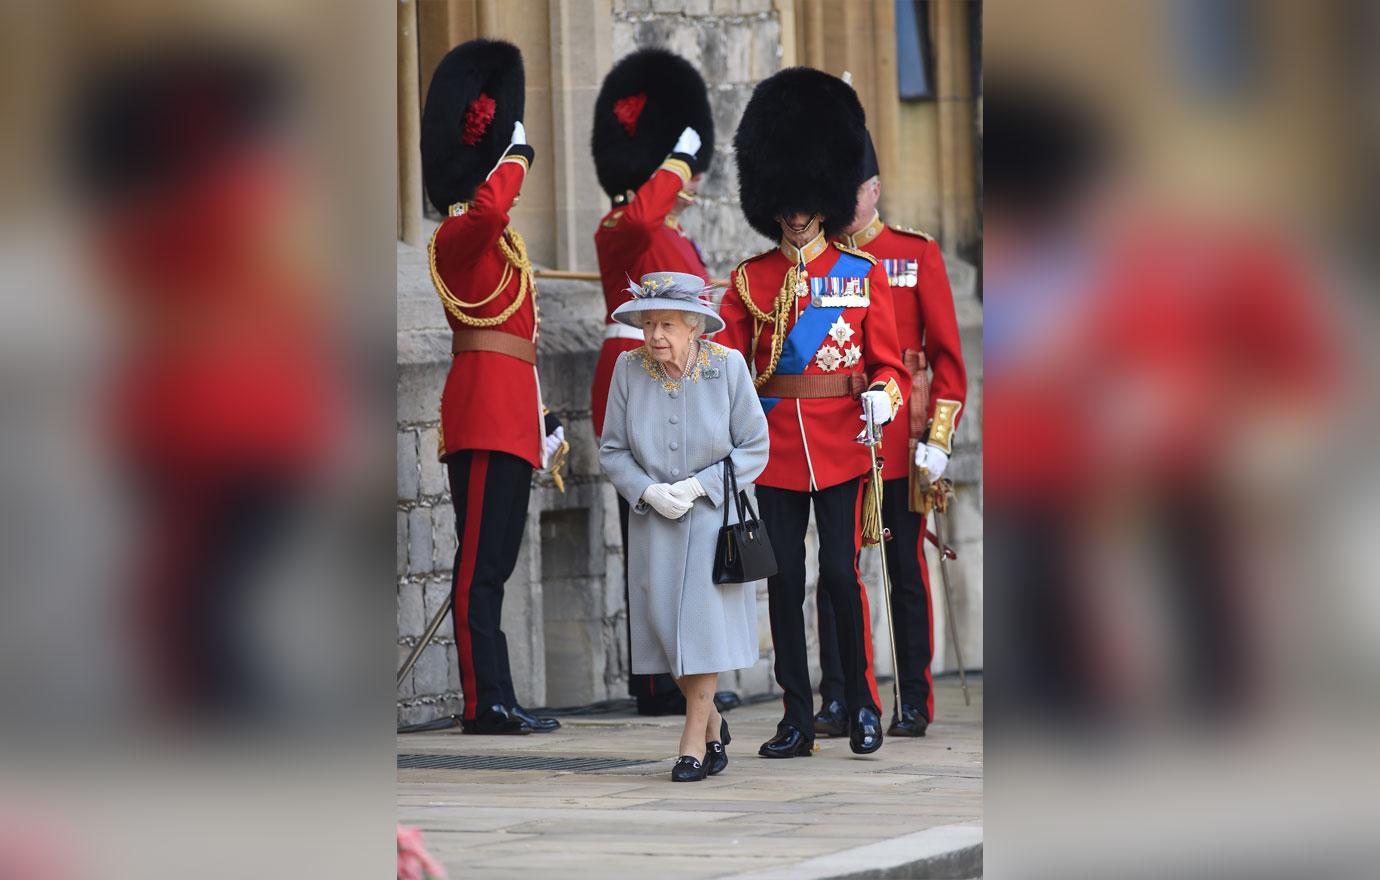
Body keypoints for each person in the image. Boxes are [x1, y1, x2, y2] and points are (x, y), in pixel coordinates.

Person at [719, 68, 909, 759]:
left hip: (840, 447)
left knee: (838, 575)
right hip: (774, 451)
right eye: (787, 202)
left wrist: (886, 396)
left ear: (824, 201)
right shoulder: (748, 282)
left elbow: (888, 364)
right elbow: (729, 370)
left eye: (806, 201)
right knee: (787, 582)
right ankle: (796, 714)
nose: (796, 213)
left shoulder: (861, 277)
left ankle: (859, 701)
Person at [421, 39, 563, 735]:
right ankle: (484, 703)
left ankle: (500, 696)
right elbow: (490, 213)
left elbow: (520, 341)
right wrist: (515, 156)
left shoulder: (496, 244)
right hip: (479, 415)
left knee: (496, 566)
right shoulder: (457, 236)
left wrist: (541, 416)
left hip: (510, 413)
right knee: (478, 568)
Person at [815, 131, 968, 739]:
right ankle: (843, 695)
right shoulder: (819, 262)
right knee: (835, 571)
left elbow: (946, 355)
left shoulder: (914, 254)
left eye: (849, 191)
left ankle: (910, 697)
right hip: (838, 433)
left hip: (902, 435)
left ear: (873, 191)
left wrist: (939, 436)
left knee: (904, 570)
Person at [590, 48, 725, 716]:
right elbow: (643, 215)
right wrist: (678, 156)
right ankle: (655, 679)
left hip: (688, 384)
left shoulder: (671, 233)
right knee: (648, 530)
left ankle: (690, 666)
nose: (688, 181)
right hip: (635, 381)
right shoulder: (624, 225)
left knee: (693, 532)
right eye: (677, 172)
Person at [598, 272, 770, 782]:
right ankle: (715, 723)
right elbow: (612, 449)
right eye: (649, 324)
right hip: (654, 522)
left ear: (694, 325)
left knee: (701, 627)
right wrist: (648, 491)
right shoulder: (628, 370)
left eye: (667, 324)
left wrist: (699, 488)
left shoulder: (728, 367)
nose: (655, 336)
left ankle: (692, 740)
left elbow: (755, 447)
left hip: (714, 519)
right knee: (664, 630)